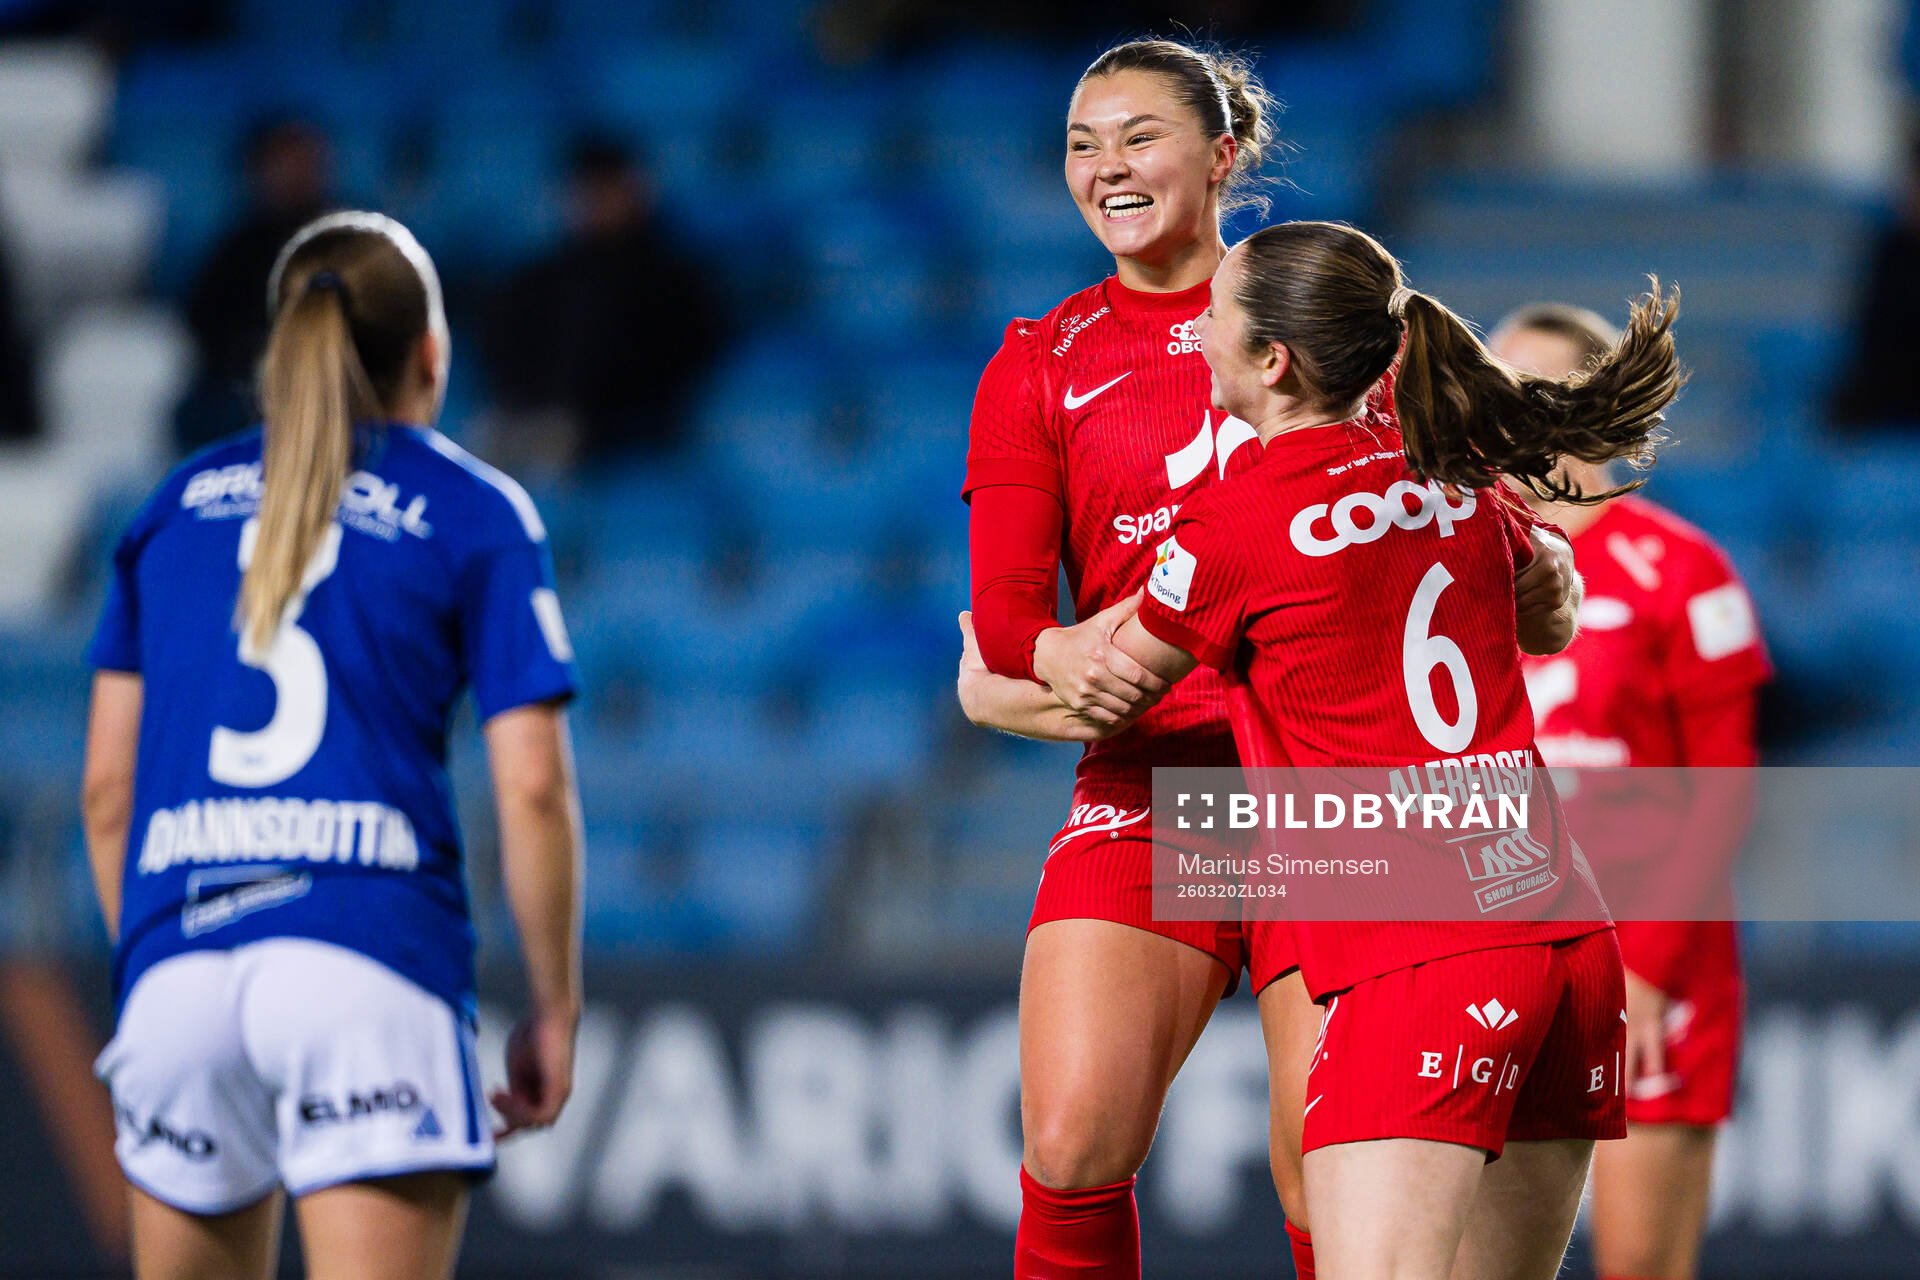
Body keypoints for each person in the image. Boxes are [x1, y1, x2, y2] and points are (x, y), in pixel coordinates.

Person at [953, 37, 1578, 1280]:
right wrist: (1031, 672)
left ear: (1223, 156)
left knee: (1329, 1167)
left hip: (1341, 797)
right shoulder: (1041, 362)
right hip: (1152, 789)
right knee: (1073, 1137)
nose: (1105, 166)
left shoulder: (1333, 325)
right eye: (1082, 142)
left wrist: (1030, 674)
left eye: (1138, 136)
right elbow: (1013, 629)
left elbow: (1509, 573)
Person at [1103, 222, 1681, 1279]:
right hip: (1561, 932)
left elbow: (1107, 687)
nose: (1194, 328)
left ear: (1274, 359)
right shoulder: (1458, 479)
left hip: (1417, 950)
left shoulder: (1235, 522)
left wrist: (993, 671)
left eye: (1215, 312)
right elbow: (1553, 612)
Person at [80, 211, 584, 1280]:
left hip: (178, 962)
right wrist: (552, 1002)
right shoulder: (473, 509)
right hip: (368, 959)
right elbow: (531, 782)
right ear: (430, 354)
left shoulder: (167, 509)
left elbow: (107, 795)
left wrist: (159, 955)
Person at [1493, 304, 1769, 1280]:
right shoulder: (1466, 561)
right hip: (1500, 956)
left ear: (1594, 403)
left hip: (1651, 960)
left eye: (1530, 382)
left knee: (1641, 1262)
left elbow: (1723, 792)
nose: (1502, 401)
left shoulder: (1684, 572)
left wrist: (1645, 964)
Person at [481, 133, 720, 469]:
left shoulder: (672, 278)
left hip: (622, 428)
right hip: (536, 414)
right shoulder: (542, 277)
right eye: (587, 191)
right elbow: (505, 345)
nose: (597, 202)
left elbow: (682, 359)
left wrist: (597, 416)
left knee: (549, 446)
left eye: (607, 189)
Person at [175, 117, 338, 454]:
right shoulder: (235, 251)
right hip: (250, 389)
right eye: (284, 163)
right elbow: (205, 329)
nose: (296, 174)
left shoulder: (354, 239)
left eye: (306, 161)